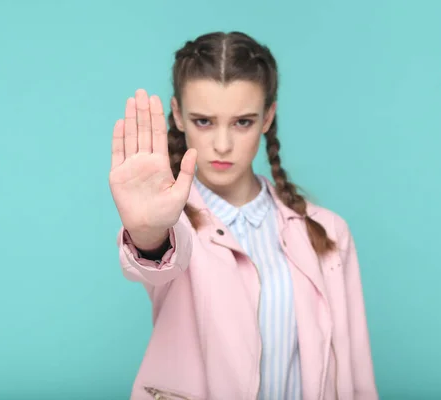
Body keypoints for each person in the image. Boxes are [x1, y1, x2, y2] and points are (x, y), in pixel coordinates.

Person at [109, 31, 378, 400]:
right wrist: (148, 234)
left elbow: (356, 377)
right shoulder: (173, 227)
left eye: (242, 122)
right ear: (178, 115)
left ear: (268, 117)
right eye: (204, 121)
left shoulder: (329, 232)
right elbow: (156, 258)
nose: (222, 144)